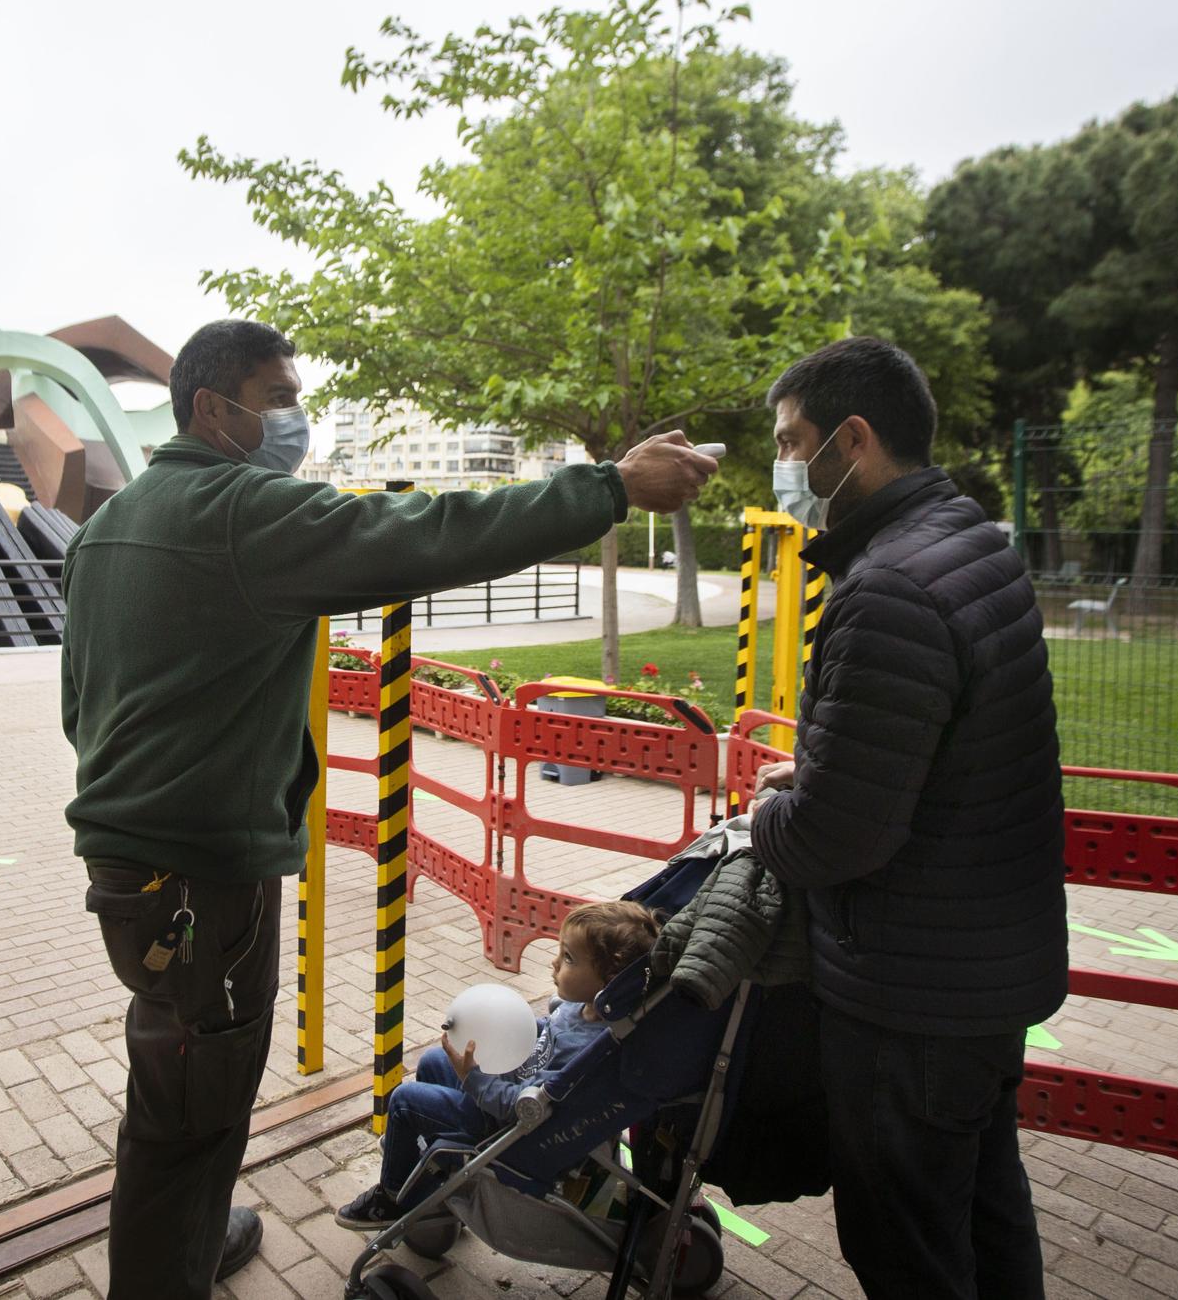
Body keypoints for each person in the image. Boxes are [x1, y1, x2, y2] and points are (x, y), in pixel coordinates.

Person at [59, 318, 718, 1298]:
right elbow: (427, 533)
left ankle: (186, 1236)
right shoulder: (243, 509)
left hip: (132, 873)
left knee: (177, 1080)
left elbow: (81, 706)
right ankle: (163, 1270)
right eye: (276, 399)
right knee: (189, 1104)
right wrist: (609, 486)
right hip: (200, 880)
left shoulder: (110, 523)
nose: (293, 419)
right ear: (208, 408)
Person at [745, 337, 1067, 1299]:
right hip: (982, 973)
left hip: (910, 997)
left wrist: (772, 807)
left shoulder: (887, 586)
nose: (786, 465)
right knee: (983, 1207)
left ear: (854, 439)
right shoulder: (970, 542)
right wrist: (827, 769)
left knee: (908, 1243)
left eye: (793, 442)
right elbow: (931, 749)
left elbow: (833, 838)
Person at [334, 899, 662, 1230]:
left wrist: (473, 1079)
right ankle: (437, 1172)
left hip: (505, 1128)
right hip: (507, 1088)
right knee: (434, 1060)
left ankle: (392, 1198)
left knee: (405, 1101)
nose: (554, 962)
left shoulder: (587, 1047)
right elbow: (546, 1035)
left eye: (569, 958)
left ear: (610, 980)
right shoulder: (578, 1009)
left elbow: (521, 1108)